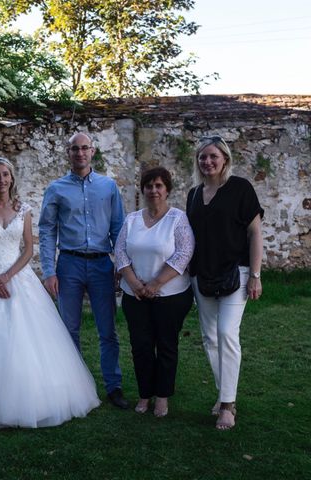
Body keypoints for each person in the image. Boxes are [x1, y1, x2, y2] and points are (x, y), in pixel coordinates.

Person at [0, 158, 100, 429]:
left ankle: (33, 399)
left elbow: (28, 249)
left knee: (29, 340)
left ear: (12, 178)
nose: (1, 180)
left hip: (17, 277)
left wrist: (8, 277)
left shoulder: (23, 209)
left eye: (5, 175)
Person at [39, 132, 129, 409]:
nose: (80, 153)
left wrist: (122, 266)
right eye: (74, 149)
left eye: (84, 148)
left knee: (108, 330)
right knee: (69, 329)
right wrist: (48, 271)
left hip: (102, 264)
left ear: (93, 152)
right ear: (68, 153)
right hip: (69, 264)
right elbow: (46, 230)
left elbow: (119, 228)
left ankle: (113, 386)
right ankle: (73, 386)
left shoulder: (108, 187)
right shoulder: (56, 188)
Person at [186, 135, 264, 430]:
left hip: (237, 273)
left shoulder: (241, 188)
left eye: (213, 156)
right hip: (201, 275)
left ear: (225, 159)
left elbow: (255, 233)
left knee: (226, 333)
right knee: (209, 338)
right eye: (203, 157)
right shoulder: (194, 194)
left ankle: (228, 406)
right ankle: (224, 394)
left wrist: (255, 275)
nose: (207, 162)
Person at [114, 167, 194, 417]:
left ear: (167, 189)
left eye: (159, 185)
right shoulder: (132, 219)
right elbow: (120, 252)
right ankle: (145, 393)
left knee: (166, 346)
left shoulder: (177, 219)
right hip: (134, 295)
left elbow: (184, 253)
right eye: (149, 186)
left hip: (170, 296)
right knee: (141, 346)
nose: (154, 190)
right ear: (143, 190)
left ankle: (162, 396)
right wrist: (136, 284)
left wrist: (156, 284)